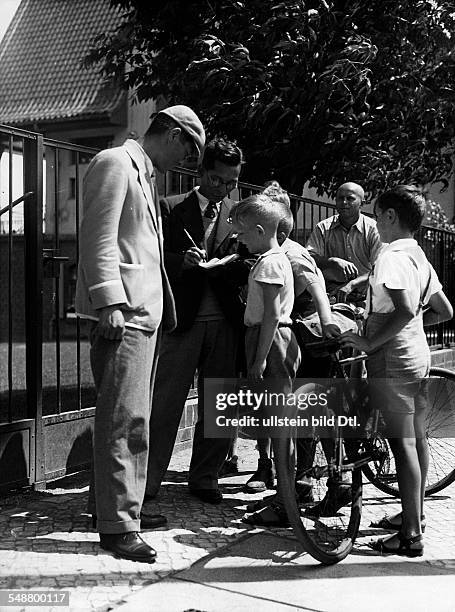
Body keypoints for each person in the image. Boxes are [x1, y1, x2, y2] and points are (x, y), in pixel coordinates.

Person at [75, 105, 205, 563]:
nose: (186, 161)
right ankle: (118, 525)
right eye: (187, 149)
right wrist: (108, 301)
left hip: (144, 316)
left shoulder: (143, 174)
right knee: (124, 421)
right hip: (124, 315)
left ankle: (112, 507)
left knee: (132, 418)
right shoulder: (115, 163)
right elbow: (98, 237)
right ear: (171, 134)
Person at [341, 185, 453, 556]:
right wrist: (411, 326)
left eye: (377, 215)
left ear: (390, 216)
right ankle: (414, 516)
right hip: (418, 357)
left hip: (392, 361)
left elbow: (404, 309)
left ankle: (409, 535)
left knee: (402, 443)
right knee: (417, 439)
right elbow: (444, 311)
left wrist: (372, 342)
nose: (375, 224)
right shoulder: (418, 255)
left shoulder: (392, 256)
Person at [145, 138, 246, 505]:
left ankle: (205, 477)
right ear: (201, 172)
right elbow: (152, 256)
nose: (225, 189)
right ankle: (148, 481)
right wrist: (178, 261)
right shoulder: (170, 207)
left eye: (232, 182)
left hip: (225, 322)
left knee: (219, 404)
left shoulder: (240, 213)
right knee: (166, 403)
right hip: (181, 321)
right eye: (218, 180)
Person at [243, 182, 341, 499]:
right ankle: (271, 468)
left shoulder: (287, 253)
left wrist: (326, 320)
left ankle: (308, 484)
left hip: (296, 336)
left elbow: (316, 288)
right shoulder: (264, 251)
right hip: (283, 333)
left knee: (303, 413)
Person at [229, 193, 301, 526]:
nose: (239, 240)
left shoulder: (270, 261)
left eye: (242, 234)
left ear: (260, 230)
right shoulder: (271, 258)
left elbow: (271, 316)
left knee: (280, 422)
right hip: (265, 339)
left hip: (270, 342)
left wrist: (258, 360)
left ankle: (288, 503)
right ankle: (285, 496)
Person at [306, 182, 382, 303]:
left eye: (350, 198)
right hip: (331, 294)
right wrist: (331, 261)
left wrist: (352, 285)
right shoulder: (323, 228)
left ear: (361, 203)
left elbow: (379, 270)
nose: (344, 202)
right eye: (340, 198)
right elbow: (308, 258)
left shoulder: (374, 230)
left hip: (364, 295)